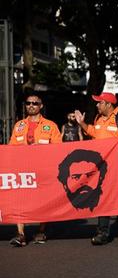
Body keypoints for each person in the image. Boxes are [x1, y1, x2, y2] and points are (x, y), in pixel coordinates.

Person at [74, 92, 118, 244]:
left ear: (108, 104)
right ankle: (102, 233)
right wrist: (82, 124)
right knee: (102, 197)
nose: (97, 105)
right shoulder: (98, 118)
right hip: (101, 167)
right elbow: (94, 133)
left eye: (99, 102)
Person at [8, 93, 62, 246]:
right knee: (19, 199)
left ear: (41, 106)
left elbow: (59, 148)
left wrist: (42, 149)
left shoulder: (51, 126)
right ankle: (21, 234)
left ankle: (41, 230)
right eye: (28, 103)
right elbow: (11, 147)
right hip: (22, 169)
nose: (31, 106)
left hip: (43, 169)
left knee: (43, 200)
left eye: (35, 103)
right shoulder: (18, 125)